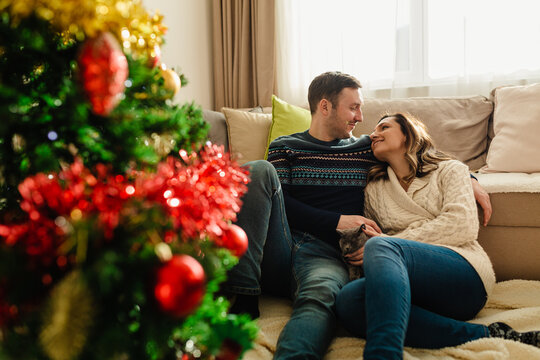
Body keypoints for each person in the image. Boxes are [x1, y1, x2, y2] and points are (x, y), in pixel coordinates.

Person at [223, 72, 493, 359]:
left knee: (321, 298)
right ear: (325, 107)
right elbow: (280, 201)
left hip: (328, 253)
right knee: (258, 170)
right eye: (353, 108)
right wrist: (336, 221)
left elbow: (422, 151)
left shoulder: (366, 148)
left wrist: (471, 178)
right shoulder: (284, 146)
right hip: (282, 244)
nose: (360, 117)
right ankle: (245, 294)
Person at [335, 113, 540, 359]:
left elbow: (461, 224)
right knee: (348, 301)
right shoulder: (374, 189)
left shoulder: (449, 169)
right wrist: (368, 248)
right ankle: (488, 333)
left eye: (384, 127)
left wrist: (388, 243)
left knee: (381, 246)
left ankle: (383, 354)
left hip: (463, 272)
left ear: (408, 133)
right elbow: (379, 242)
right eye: (373, 131)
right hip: (408, 284)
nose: (373, 134)